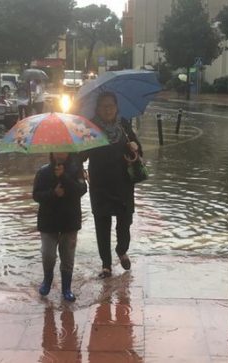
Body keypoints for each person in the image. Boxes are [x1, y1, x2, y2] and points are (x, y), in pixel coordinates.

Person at [86, 92, 142, 278]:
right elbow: (81, 155)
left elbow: (138, 149)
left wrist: (134, 147)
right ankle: (106, 265)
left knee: (125, 221)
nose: (108, 109)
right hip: (100, 184)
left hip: (123, 183)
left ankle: (121, 249)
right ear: (97, 108)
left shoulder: (123, 125)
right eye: (104, 106)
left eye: (111, 105)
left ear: (117, 107)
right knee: (102, 225)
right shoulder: (90, 128)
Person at [32, 152, 87, 301]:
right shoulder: (43, 172)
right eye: (57, 150)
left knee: (67, 257)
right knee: (48, 255)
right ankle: (47, 280)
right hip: (48, 222)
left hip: (70, 221)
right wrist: (54, 193)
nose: (60, 153)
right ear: (51, 152)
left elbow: (81, 190)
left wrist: (64, 177)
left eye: (64, 150)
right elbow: (36, 195)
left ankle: (66, 288)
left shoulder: (77, 170)